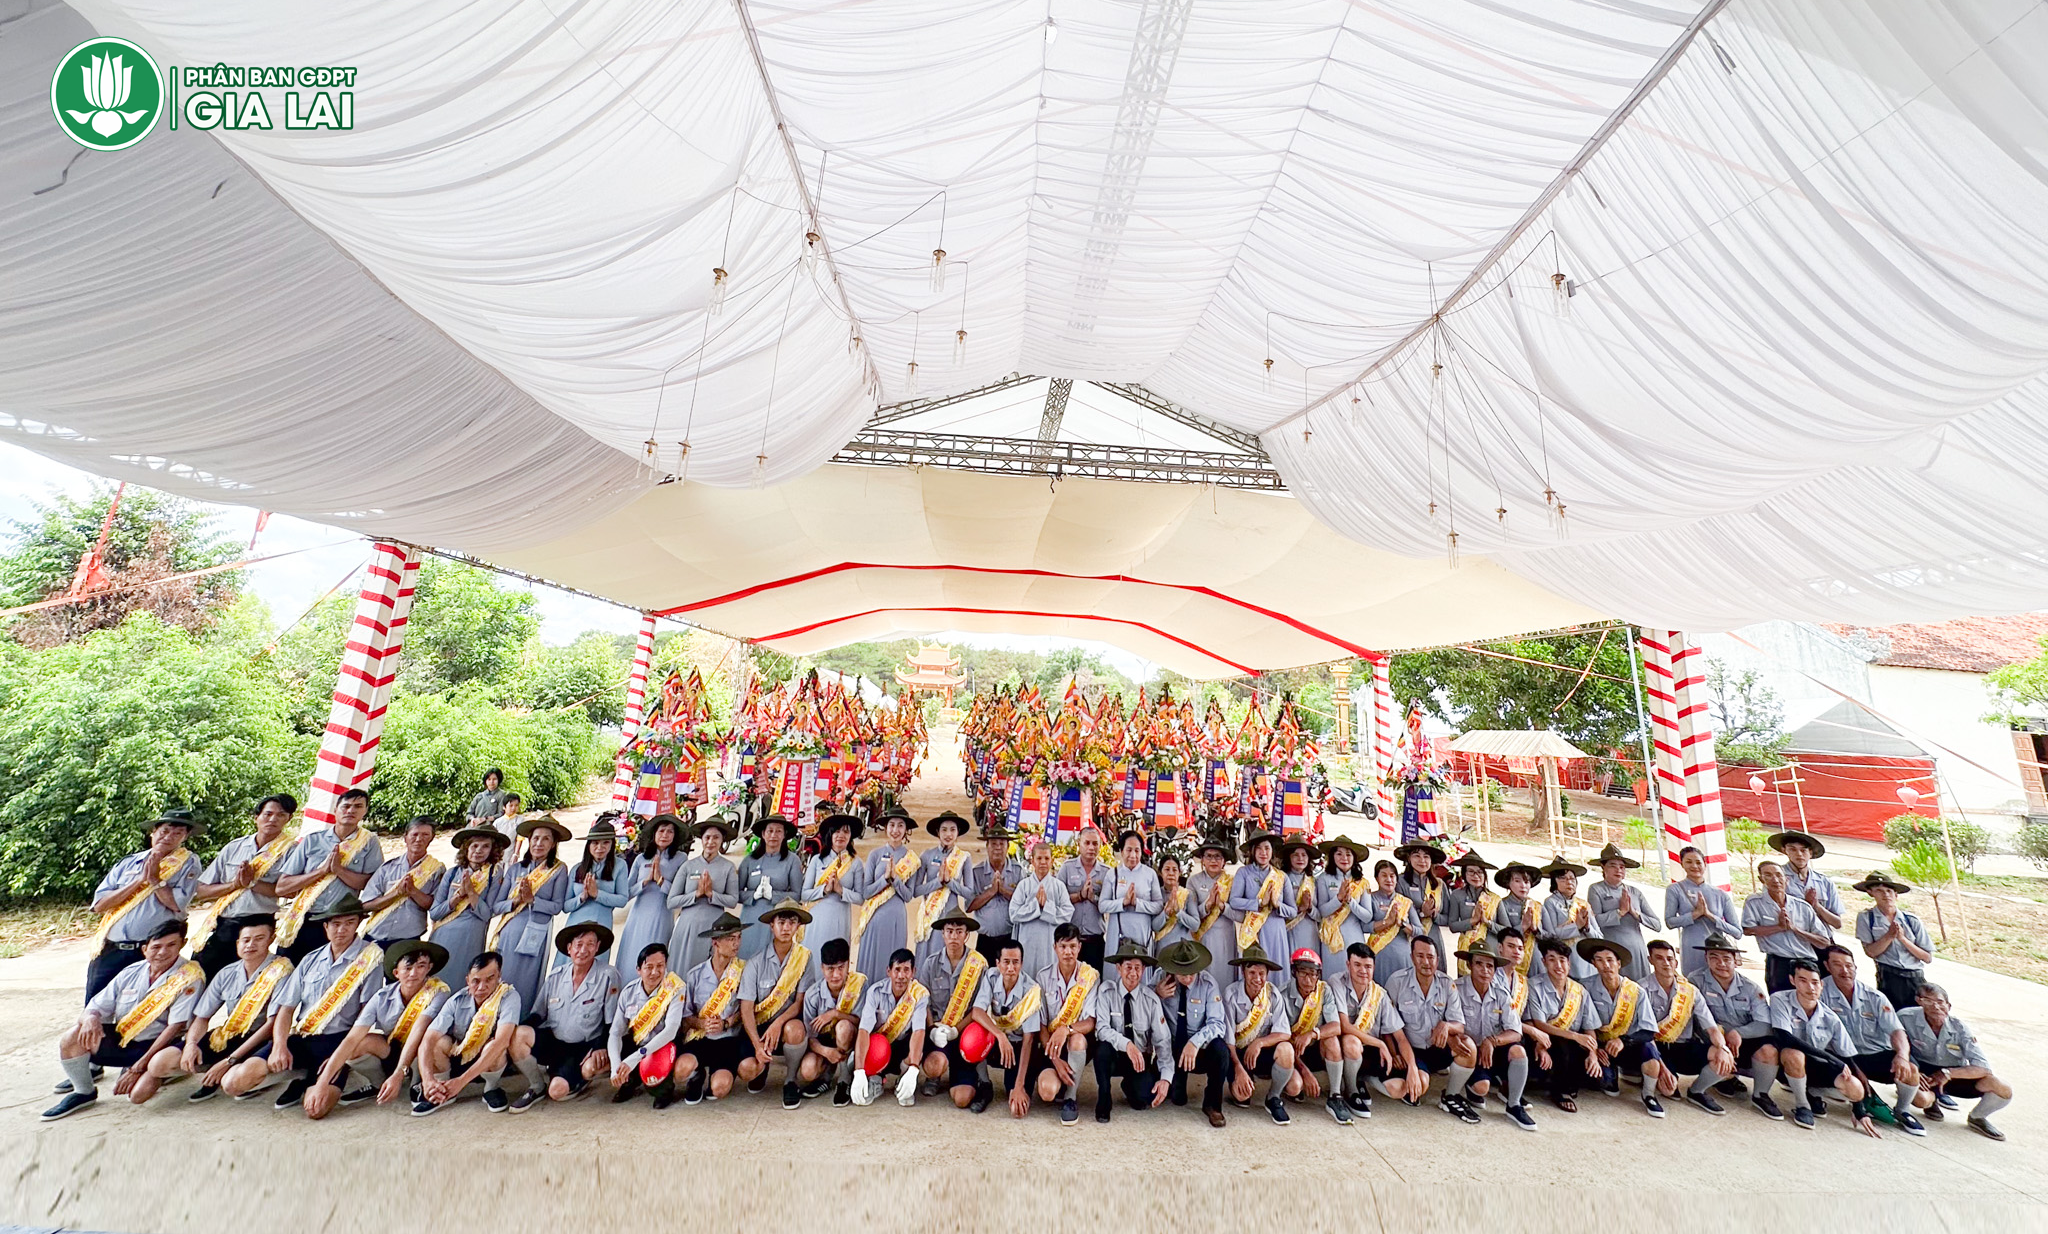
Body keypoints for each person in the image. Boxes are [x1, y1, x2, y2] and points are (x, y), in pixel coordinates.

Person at [42, 918, 202, 1120]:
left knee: (137, 1096)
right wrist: (90, 1018)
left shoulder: (189, 977)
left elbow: (174, 1027)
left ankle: (164, 1072)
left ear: (182, 944)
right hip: (125, 1038)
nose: (163, 952)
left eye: (171, 945)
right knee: (72, 1036)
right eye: (156, 947)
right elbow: (96, 1006)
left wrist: (139, 1066)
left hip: (159, 1045)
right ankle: (83, 1092)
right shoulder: (131, 972)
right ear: (145, 949)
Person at [266, 893, 386, 1115]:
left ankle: (324, 1076)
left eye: (349, 923)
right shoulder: (310, 959)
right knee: (237, 1080)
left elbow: (366, 1014)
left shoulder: (370, 958)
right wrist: (279, 1046)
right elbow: (287, 1008)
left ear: (358, 925)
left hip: (340, 1039)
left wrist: (340, 1056)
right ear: (326, 926)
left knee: (316, 1109)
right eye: (336, 924)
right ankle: (303, 1077)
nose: (342, 930)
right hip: (305, 1036)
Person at [306, 938, 449, 1117]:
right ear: (396, 973)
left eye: (421, 966)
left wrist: (399, 1073)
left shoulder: (438, 991)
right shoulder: (382, 996)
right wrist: (323, 1082)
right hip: (394, 1049)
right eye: (408, 968)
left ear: (429, 968)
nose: (414, 973)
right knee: (358, 1045)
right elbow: (352, 1038)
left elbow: (418, 1030)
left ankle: (428, 1085)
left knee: (437, 1042)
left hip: (422, 1050)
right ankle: (379, 1084)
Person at [155, 917, 291, 1105]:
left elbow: (272, 1024)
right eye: (246, 940)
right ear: (238, 943)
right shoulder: (227, 972)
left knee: (233, 1084)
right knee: (161, 1063)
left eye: (259, 939)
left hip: (262, 1038)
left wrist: (229, 1060)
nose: (250, 945)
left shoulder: (281, 969)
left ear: (271, 939)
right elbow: (202, 1017)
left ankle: (257, 1080)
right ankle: (215, 1072)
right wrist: (191, 1044)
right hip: (230, 1035)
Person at [84, 809, 204, 1003]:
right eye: (165, 831)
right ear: (153, 832)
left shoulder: (188, 864)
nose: (168, 837)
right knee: (95, 1006)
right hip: (112, 948)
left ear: (185, 837)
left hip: (152, 952)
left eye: (177, 833)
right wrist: (140, 881)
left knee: (142, 1008)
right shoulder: (129, 862)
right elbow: (99, 905)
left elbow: (176, 904)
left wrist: (156, 881)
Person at [507, 921, 620, 1111]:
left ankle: (580, 1078)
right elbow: (538, 1014)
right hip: (555, 1043)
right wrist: (512, 1035)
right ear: (569, 948)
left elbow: (612, 1020)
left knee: (557, 1093)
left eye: (590, 944)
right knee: (518, 1034)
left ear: (597, 947)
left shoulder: (608, 975)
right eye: (579, 944)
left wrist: (600, 1047)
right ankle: (536, 1085)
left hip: (584, 1047)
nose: (583, 950)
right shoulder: (556, 976)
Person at [1767, 957, 1879, 1134]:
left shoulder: (1830, 1017)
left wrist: (1860, 1108)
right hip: (1784, 1065)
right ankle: (1803, 1105)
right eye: (1803, 981)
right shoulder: (1780, 999)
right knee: (1794, 1054)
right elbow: (1784, 1037)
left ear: (1822, 985)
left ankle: (1813, 1092)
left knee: (1855, 1086)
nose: (1810, 988)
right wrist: (1830, 1058)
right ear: (1792, 980)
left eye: (1814, 982)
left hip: (1814, 1066)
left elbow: (1847, 1055)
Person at [1817, 943, 1920, 1134]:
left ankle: (1902, 1110)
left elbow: (1896, 1030)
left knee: (1911, 1069)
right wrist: (1855, 1070)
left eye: (1849, 965)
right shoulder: (1819, 993)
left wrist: (1902, 1056)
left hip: (1873, 1053)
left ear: (1855, 967)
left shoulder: (1874, 997)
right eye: (1837, 964)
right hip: (1840, 1056)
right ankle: (1817, 1094)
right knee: (1832, 1074)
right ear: (1827, 966)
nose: (1844, 970)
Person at [190, 796, 295, 977]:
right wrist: (234, 885)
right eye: (268, 814)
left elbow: (291, 892)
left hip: (259, 926)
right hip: (225, 924)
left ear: (289, 819)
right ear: (256, 817)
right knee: (200, 975)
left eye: (281, 815)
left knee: (247, 981)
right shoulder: (235, 847)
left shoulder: (291, 851)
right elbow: (202, 891)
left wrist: (252, 883)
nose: (273, 819)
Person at [273, 789, 381, 964]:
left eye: (358, 806)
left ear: (365, 811)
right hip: (304, 918)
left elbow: (370, 884)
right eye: (346, 806)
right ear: (336, 810)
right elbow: (282, 887)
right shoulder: (312, 841)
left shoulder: (369, 843)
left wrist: (339, 870)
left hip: (339, 923)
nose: (350, 811)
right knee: (286, 968)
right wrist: (321, 871)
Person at [1382, 932, 1479, 1123]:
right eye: (1420, 956)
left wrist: (1446, 1026)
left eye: (1430, 957)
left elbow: (1459, 1024)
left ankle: (1450, 1095)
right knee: (1420, 1086)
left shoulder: (1446, 984)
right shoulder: (1397, 982)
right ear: (1412, 957)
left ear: (1437, 959)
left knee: (1468, 1047)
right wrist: (1394, 1053)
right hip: (1411, 1051)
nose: (1426, 962)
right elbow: (1386, 1025)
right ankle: (1413, 1078)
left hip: (1437, 1048)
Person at [1899, 982, 2013, 1141]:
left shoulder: (1960, 1028)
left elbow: (1983, 1067)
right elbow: (1895, 1046)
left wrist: (1948, 1073)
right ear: (1919, 1001)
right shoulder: (1905, 1017)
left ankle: (1978, 1117)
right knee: (1921, 1100)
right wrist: (1915, 1071)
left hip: (1954, 1074)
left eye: (1940, 1002)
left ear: (1949, 1006)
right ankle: (1931, 1102)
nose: (1936, 1007)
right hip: (1924, 1073)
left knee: (2003, 1088)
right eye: (1928, 1001)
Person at [1689, 932, 1784, 1119]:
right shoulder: (1695, 981)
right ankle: (1698, 1090)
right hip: (1711, 1039)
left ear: (1736, 961)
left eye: (1726, 958)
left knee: (1769, 1051)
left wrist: (1737, 1033)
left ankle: (1761, 1095)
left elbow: (1765, 1024)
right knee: (1719, 1053)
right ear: (1706, 959)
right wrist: (1722, 1037)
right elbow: (1696, 1020)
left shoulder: (1751, 988)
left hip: (1744, 1040)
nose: (1721, 963)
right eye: (1714, 957)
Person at [413, 951, 520, 1115]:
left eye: (489, 979)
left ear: (499, 977)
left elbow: (502, 1041)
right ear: (467, 980)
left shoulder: (509, 997)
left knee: (495, 1045)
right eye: (475, 981)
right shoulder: (457, 1000)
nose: (482, 987)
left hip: (491, 1061)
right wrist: (428, 1080)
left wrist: (461, 1082)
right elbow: (428, 1039)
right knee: (439, 1042)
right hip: (459, 1058)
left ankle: (491, 1088)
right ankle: (441, 1090)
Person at [1578, 936, 1673, 1117]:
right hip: (1600, 1046)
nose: (1606, 965)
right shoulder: (1585, 987)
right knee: (1604, 1084)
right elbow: (1581, 1023)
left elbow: (1648, 1031)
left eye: (1610, 960)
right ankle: (1611, 1075)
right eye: (1599, 960)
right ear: (1593, 963)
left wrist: (1623, 1040)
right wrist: (1594, 1049)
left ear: (1619, 963)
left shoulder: (1636, 991)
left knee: (1650, 1051)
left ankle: (1649, 1095)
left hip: (1628, 1045)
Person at [1642, 939, 1736, 1116]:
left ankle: (1697, 1091)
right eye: (1659, 958)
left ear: (1676, 962)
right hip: (1656, 1048)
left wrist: (1723, 1049)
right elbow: (1645, 1034)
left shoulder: (1690, 991)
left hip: (1683, 1046)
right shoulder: (1641, 989)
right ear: (1650, 960)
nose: (1666, 963)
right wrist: (1662, 1069)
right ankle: (1660, 1076)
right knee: (1668, 1090)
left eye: (1670, 959)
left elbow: (1711, 1027)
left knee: (1725, 1059)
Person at [738, 899, 815, 1108]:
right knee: (746, 1070)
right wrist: (757, 1044)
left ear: (798, 927)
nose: (786, 927)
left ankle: (790, 1080)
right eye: (781, 922)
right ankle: (762, 1067)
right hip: (760, 1027)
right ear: (772, 926)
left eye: (792, 922)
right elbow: (746, 1008)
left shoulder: (804, 958)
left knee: (795, 1030)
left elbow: (799, 1002)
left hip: (787, 1022)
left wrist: (778, 1023)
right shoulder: (755, 962)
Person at [1453, 938, 1535, 1130]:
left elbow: (1516, 1031)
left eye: (1490, 966)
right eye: (1479, 964)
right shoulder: (1456, 989)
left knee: (1518, 1052)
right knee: (1481, 1088)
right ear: (1469, 965)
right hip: (1470, 1052)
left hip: (1493, 1049)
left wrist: (1492, 1041)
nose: (1485, 970)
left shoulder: (1501, 993)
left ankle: (1514, 1105)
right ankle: (1472, 1087)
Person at [492, 815, 571, 1013]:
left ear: (553, 844)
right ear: (529, 840)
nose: (539, 843)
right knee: (504, 976)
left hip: (536, 932)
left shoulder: (558, 869)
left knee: (527, 980)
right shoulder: (515, 869)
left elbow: (557, 906)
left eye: (546, 839)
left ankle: (523, 1018)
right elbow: (497, 905)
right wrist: (516, 901)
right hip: (510, 931)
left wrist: (532, 900)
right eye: (535, 838)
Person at [1090, 939, 1174, 1123]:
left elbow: (1163, 1041)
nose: (1133, 973)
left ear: (1143, 970)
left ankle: (1130, 1084)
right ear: (1118, 968)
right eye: (1128, 967)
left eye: (1138, 968)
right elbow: (1102, 1029)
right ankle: (1104, 1097)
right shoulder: (1106, 992)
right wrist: (1127, 1044)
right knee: (1102, 1049)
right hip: (1114, 1055)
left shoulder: (1151, 1000)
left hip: (1139, 1061)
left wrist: (1166, 1078)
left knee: (1145, 1099)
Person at [1151, 939, 1229, 1126]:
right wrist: (1155, 994)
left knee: (1221, 1050)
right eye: (1182, 973)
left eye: (1191, 973)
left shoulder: (1208, 984)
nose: (1187, 978)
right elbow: (1141, 1006)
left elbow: (1218, 1024)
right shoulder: (1161, 977)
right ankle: (1176, 1081)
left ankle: (1213, 1105)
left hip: (1197, 1051)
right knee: (1166, 1098)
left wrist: (1195, 1042)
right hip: (1170, 1049)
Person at [1329, 942, 1411, 1117]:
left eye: (1368, 966)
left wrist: (1412, 1068)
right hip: (1345, 1049)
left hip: (1371, 1052)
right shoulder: (1337, 981)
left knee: (1399, 1089)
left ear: (1374, 967)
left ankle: (1361, 1078)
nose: (1363, 971)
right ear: (1348, 965)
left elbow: (1400, 1036)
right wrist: (1380, 1043)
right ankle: (1351, 1090)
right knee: (1352, 1042)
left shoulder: (1379, 993)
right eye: (1357, 965)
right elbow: (1344, 1025)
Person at [1522, 937, 1603, 1113]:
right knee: (1562, 1047)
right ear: (1544, 962)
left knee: (1599, 1076)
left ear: (1569, 963)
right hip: (1545, 1040)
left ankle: (1562, 1080)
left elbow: (1589, 1028)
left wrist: (1593, 1054)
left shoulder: (1579, 990)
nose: (1558, 966)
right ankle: (1559, 1092)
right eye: (1552, 960)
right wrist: (1575, 1036)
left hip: (1572, 1042)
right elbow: (1539, 1024)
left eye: (1562, 960)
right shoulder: (1534, 986)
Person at [916, 910, 987, 1105]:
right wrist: (932, 1029)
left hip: (964, 1032)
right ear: (943, 934)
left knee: (962, 1100)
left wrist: (956, 1030)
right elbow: (923, 1002)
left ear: (967, 935)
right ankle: (934, 1077)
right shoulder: (930, 963)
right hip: (938, 1031)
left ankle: (964, 1071)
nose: (954, 936)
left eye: (959, 931)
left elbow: (979, 1008)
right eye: (949, 931)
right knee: (934, 1066)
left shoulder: (978, 965)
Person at [607, 942, 688, 1109]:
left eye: (660, 966)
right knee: (618, 1054)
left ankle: (663, 1090)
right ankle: (629, 1082)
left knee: (656, 1086)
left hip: (662, 1045)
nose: (655, 972)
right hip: (637, 1043)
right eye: (649, 967)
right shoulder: (628, 992)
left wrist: (637, 1057)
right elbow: (615, 1032)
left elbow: (670, 1031)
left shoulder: (675, 989)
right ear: (639, 970)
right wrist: (616, 1066)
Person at [1221, 943, 1295, 1125]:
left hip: (1261, 1053)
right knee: (1241, 1096)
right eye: (1252, 973)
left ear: (1267, 974)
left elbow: (1284, 1033)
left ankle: (1273, 1097)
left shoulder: (1273, 994)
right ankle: (1243, 1080)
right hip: (1238, 1055)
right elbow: (1228, 1040)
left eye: (1261, 973)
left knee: (1287, 1051)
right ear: (1243, 972)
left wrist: (1259, 1043)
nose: (1257, 978)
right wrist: (1238, 1069)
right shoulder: (1230, 994)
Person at [680, 911, 749, 1103]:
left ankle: (717, 1077)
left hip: (728, 1039)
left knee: (719, 1089)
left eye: (739, 937)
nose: (736, 944)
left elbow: (747, 1010)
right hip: (700, 1037)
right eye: (730, 939)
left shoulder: (743, 971)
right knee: (680, 1070)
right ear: (715, 942)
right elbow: (686, 1015)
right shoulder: (695, 975)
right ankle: (696, 1075)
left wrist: (726, 1023)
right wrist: (701, 1024)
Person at [969, 936, 1042, 1118]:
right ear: (998, 963)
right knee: (974, 1033)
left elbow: (1029, 1040)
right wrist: (1000, 1036)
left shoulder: (1031, 990)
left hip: (1019, 1046)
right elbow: (977, 1011)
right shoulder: (991, 976)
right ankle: (985, 1085)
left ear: (1022, 963)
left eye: (1015, 962)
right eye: (1006, 962)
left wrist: (1019, 1086)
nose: (1010, 968)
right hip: (999, 1041)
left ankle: (1016, 1082)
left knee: (1016, 1107)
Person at [1035, 922, 1099, 1125]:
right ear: (1054, 947)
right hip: (1051, 1047)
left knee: (1077, 1039)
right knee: (1047, 1093)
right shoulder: (1043, 976)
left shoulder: (1090, 976)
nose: (1068, 952)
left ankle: (1070, 1099)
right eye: (1063, 946)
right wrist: (1055, 1059)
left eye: (1072, 946)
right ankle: (1061, 1078)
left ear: (1079, 947)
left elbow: (1090, 1021)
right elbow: (1041, 1025)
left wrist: (1066, 1029)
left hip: (1075, 1043)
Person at [429, 825, 507, 990]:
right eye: (474, 846)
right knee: (436, 983)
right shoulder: (452, 873)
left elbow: (486, 914)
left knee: (462, 983)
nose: (478, 850)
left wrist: (471, 893)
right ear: (466, 848)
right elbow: (435, 913)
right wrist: (457, 898)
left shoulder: (494, 874)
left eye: (485, 846)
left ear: (493, 850)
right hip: (444, 934)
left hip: (470, 936)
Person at [1275, 947, 1347, 1123]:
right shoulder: (1282, 994)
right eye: (1303, 973)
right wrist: (1305, 1072)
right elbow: (1282, 1037)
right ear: (1294, 972)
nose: (1308, 980)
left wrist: (1312, 1034)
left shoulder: (1324, 990)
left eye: (1313, 974)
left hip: (1315, 1047)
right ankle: (1288, 1088)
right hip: (1292, 1052)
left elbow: (1336, 1026)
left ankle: (1335, 1096)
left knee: (1331, 1040)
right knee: (1295, 1087)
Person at [850, 947, 928, 1108]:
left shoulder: (919, 994)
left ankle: (905, 1081)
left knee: (919, 1045)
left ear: (913, 972)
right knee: (874, 1043)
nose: (901, 976)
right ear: (889, 971)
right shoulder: (875, 992)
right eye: (897, 969)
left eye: (906, 970)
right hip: (879, 1045)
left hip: (903, 1045)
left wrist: (914, 1069)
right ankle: (875, 1079)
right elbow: (864, 1030)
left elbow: (918, 1031)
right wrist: (859, 1071)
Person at [796, 937, 867, 1106]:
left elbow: (861, 1024)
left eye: (841, 968)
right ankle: (826, 1078)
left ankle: (844, 1079)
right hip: (825, 1044)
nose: (836, 975)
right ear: (822, 968)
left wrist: (835, 1014)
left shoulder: (858, 985)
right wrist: (826, 1052)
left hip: (851, 1041)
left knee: (843, 1027)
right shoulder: (813, 995)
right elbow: (810, 1037)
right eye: (830, 969)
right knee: (808, 1070)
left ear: (848, 965)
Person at [1743, 860, 1832, 992]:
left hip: (1807, 961)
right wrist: (1778, 927)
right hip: (1779, 963)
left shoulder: (1802, 906)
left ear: (1787, 879)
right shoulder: (1754, 903)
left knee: (1810, 999)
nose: (1775, 880)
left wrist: (1795, 929)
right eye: (1768, 875)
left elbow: (1824, 942)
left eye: (1779, 875)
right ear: (1761, 879)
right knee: (1780, 1000)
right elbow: (1748, 930)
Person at [852, 812, 920, 984]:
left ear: (906, 830)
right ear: (885, 828)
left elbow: (908, 896)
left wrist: (895, 880)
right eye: (892, 825)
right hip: (875, 916)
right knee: (871, 961)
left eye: (900, 826)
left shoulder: (912, 859)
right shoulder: (875, 854)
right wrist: (884, 879)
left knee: (894, 959)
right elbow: (866, 892)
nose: (895, 830)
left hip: (896, 916)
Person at [618, 815, 687, 980]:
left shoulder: (681, 859)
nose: (665, 835)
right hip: (638, 915)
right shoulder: (641, 858)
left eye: (670, 832)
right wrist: (645, 882)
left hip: (661, 915)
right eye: (661, 831)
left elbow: (680, 893)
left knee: (654, 955)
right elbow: (626, 893)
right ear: (654, 834)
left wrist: (661, 880)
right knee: (632, 955)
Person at [668, 816, 740, 976]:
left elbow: (733, 900)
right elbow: (671, 901)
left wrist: (711, 894)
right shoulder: (688, 866)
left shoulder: (728, 867)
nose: (711, 842)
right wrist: (696, 894)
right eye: (707, 837)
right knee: (682, 971)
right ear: (701, 839)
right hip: (688, 926)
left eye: (716, 838)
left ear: (722, 840)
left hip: (715, 926)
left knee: (708, 973)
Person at [1852, 870, 1934, 1010]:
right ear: (1870, 893)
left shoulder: (1911, 920)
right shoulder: (1867, 918)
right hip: (1889, 977)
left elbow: (1927, 957)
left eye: (1889, 891)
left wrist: (1903, 939)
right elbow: (1871, 952)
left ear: (1896, 895)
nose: (1886, 895)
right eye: (1879, 891)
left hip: (1915, 978)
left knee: (1918, 1015)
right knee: (1890, 1015)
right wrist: (1889, 936)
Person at [361, 816, 445, 950]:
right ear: (405, 837)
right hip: (376, 935)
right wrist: (395, 894)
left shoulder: (436, 870)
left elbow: (436, 907)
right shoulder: (388, 868)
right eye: (414, 834)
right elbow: (366, 905)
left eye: (425, 835)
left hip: (409, 939)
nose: (419, 839)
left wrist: (413, 891)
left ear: (432, 838)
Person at [1588, 843, 1663, 980]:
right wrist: (1619, 912)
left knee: (1639, 986)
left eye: (1622, 867)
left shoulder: (1635, 892)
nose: (1618, 870)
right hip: (1612, 949)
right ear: (1603, 867)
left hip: (1636, 948)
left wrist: (1635, 913)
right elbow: (1594, 922)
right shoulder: (1596, 890)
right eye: (1613, 866)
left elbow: (1657, 925)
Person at [562, 816, 629, 969]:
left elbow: (622, 899)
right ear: (588, 845)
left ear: (612, 844)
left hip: (601, 926)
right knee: (570, 969)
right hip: (575, 925)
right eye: (595, 843)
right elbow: (565, 906)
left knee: (595, 969)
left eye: (606, 842)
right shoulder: (577, 869)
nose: (600, 847)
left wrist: (597, 894)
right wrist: (582, 897)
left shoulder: (620, 866)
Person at [1664, 845, 1741, 974]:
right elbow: (1670, 922)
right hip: (1691, 948)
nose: (1694, 866)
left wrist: (1711, 916)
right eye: (1689, 862)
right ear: (1682, 864)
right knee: (1694, 981)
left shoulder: (1720, 894)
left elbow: (1737, 932)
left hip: (1717, 950)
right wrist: (1695, 914)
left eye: (1698, 862)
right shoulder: (1675, 889)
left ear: (1705, 864)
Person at [1228, 832, 1295, 977]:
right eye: (1259, 848)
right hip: (1253, 931)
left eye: (1267, 848)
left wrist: (1277, 904)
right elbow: (1234, 900)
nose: (1263, 852)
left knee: (1275, 972)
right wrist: (1258, 903)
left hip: (1276, 931)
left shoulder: (1281, 876)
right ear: (1252, 851)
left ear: (1272, 851)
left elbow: (1293, 911)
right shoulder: (1243, 873)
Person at [739, 816, 804, 958]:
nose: (774, 835)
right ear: (763, 834)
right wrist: (753, 895)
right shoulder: (749, 860)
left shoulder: (792, 861)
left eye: (778, 831)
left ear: (784, 835)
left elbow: (797, 894)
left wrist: (773, 895)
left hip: (777, 919)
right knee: (746, 959)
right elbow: (736, 893)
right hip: (750, 917)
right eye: (770, 831)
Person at [1009, 839, 1074, 980]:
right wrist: (1036, 906)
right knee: (1026, 979)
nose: (1043, 862)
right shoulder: (1024, 885)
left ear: (1052, 861)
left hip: (1049, 942)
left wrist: (1046, 907)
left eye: (1046, 858)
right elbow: (1013, 914)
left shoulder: (1059, 886)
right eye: (1039, 858)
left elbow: (1067, 914)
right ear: (1032, 861)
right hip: (1027, 941)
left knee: (1049, 980)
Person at [802, 814, 864, 956]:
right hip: (817, 919)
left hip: (840, 919)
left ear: (850, 836)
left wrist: (841, 890)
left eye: (846, 831)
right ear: (830, 835)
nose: (840, 835)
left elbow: (860, 898)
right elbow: (804, 894)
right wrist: (824, 890)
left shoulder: (855, 863)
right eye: (836, 831)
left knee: (836, 959)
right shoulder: (817, 860)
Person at [1099, 830, 1163, 964]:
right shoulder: (1113, 874)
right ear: (1121, 851)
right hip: (1118, 935)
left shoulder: (1150, 874)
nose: (1133, 855)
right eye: (1129, 850)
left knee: (1140, 969)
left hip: (1142, 933)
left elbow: (1158, 906)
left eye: (1137, 850)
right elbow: (1102, 905)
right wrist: (1123, 902)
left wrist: (1137, 904)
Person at [1186, 840, 1237, 990]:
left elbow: (1240, 916)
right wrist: (1207, 905)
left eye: (1217, 856)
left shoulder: (1232, 882)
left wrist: (1222, 906)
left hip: (1226, 937)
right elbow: (1190, 916)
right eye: (1208, 856)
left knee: (1225, 978)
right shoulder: (1193, 881)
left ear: (1224, 861)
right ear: (1202, 859)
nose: (1213, 860)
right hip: (1204, 937)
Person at [1363, 860, 1423, 988]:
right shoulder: (1371, 898)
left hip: (1402, 956)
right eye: (1384, 875)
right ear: (1377, 878)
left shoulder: (1405, 902)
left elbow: (1420, 931)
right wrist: (1386, 922)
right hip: (1379, 955)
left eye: (1392, 876)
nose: (1389, 880)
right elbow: (1364, 926)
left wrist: (1402, 924)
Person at [1058, 827, 1111, 968]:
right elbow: (1058, 899)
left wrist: (1093, 898)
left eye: (1095, 843)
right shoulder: (1067, 868)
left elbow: (1109, 905)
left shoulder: (1106, 872)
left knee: (1094, 978)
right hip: (1070, 940)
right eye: (1087, 843)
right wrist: (1079, 896)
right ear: (1078, 844)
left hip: (1095, 940)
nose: (1091, 847)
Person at [1438, 849, 1497, 974]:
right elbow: (1453, 926)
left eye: (1479, 872)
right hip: (1467, 950)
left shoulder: (1494, 898)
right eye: (1471, 872)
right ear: (1464, 874)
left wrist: (1487, 922)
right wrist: (1472, 921)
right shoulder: (1457, 895)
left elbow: (1506, 929)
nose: (1476, 876)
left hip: (1490, 950)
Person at [1771, 830, 1844, 931]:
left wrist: (1816, 906)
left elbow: (1837, 923)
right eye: (1793, 849)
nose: (1799, 854)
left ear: (1810, 853)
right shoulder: (1776, 879)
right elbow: (1770, 914)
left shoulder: (1824, 881)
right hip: (1790, 937)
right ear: (1784, 851)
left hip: (1821, 937)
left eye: (1803, 850)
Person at [967, 825, 1020, 964]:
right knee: (982, 973)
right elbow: (969, 906)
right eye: (993, 844)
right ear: (987, 847)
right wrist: (991, 892)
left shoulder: (1018, 871)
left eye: (1002, 844)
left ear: (1008, 847)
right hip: (985, 939)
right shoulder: (976, 872)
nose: (998, 848)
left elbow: (1024, 902)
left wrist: (1003, 891)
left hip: (1010, 937)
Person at [1538, 857, 1595, 981]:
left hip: (1587, 961)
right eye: (1563, 878)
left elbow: (1599, 936)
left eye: (1572, 878)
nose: (1569, 882)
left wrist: (1587, 928)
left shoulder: (1583, 904)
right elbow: (1553, 934)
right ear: (1554, 882)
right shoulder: (1550, 903)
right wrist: (1577, 927)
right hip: (1566, 960)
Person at [1395, 841, 1449, 966]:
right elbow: (1398, 916)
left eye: (1426, 856)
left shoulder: (1439, 885)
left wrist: (1434, 915)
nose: (1422, 860)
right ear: (1408, 858)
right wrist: (1422, 914)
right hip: (1408, 938)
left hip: (1433, 939)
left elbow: (1448, 919)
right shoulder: (1400, 882)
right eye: (1416, 856)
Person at [1491, 861, 1545, 972]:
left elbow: (1549, 936)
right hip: (1511, 958)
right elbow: (1504, 934)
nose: (1523, 886)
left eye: (1526, 882)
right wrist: (1523, 926)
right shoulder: (1502, 904)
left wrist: (1535, 929)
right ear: (1508, 883)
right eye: (1517, 881)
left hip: (1536, 959)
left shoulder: (1538, 906)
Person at [1278, 838, 1322, 959]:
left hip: (1311, 934)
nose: (1300, 858)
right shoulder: (1281, 879)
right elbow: (1277, 910)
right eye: (1295, 855)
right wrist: (1299, 908)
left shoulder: (1313, 882)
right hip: (1290, 931)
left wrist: (1309, 908)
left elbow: (1320, 916)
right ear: (1288, 858)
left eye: (1304, 855)